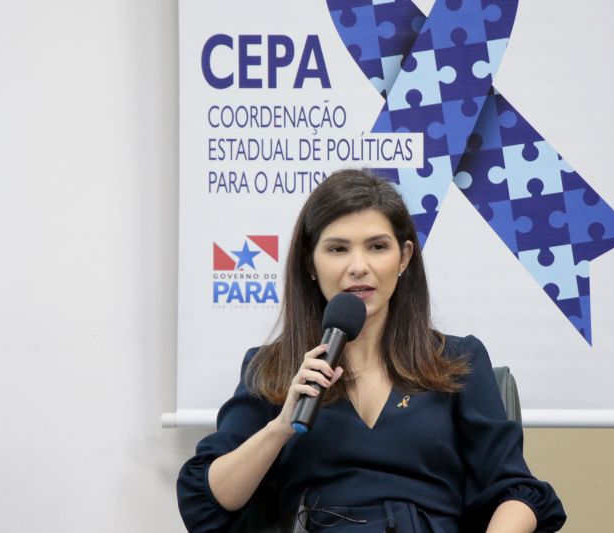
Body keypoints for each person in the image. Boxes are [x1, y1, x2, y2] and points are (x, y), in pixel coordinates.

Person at [177, 169, 566, 532]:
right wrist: (281, 425)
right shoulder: (273, 367)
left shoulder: (457, 361)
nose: (358, 266)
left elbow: (515, 491)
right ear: (309, 263)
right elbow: (212, 500)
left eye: (377, 247)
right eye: (338, 249)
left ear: (404, 258)